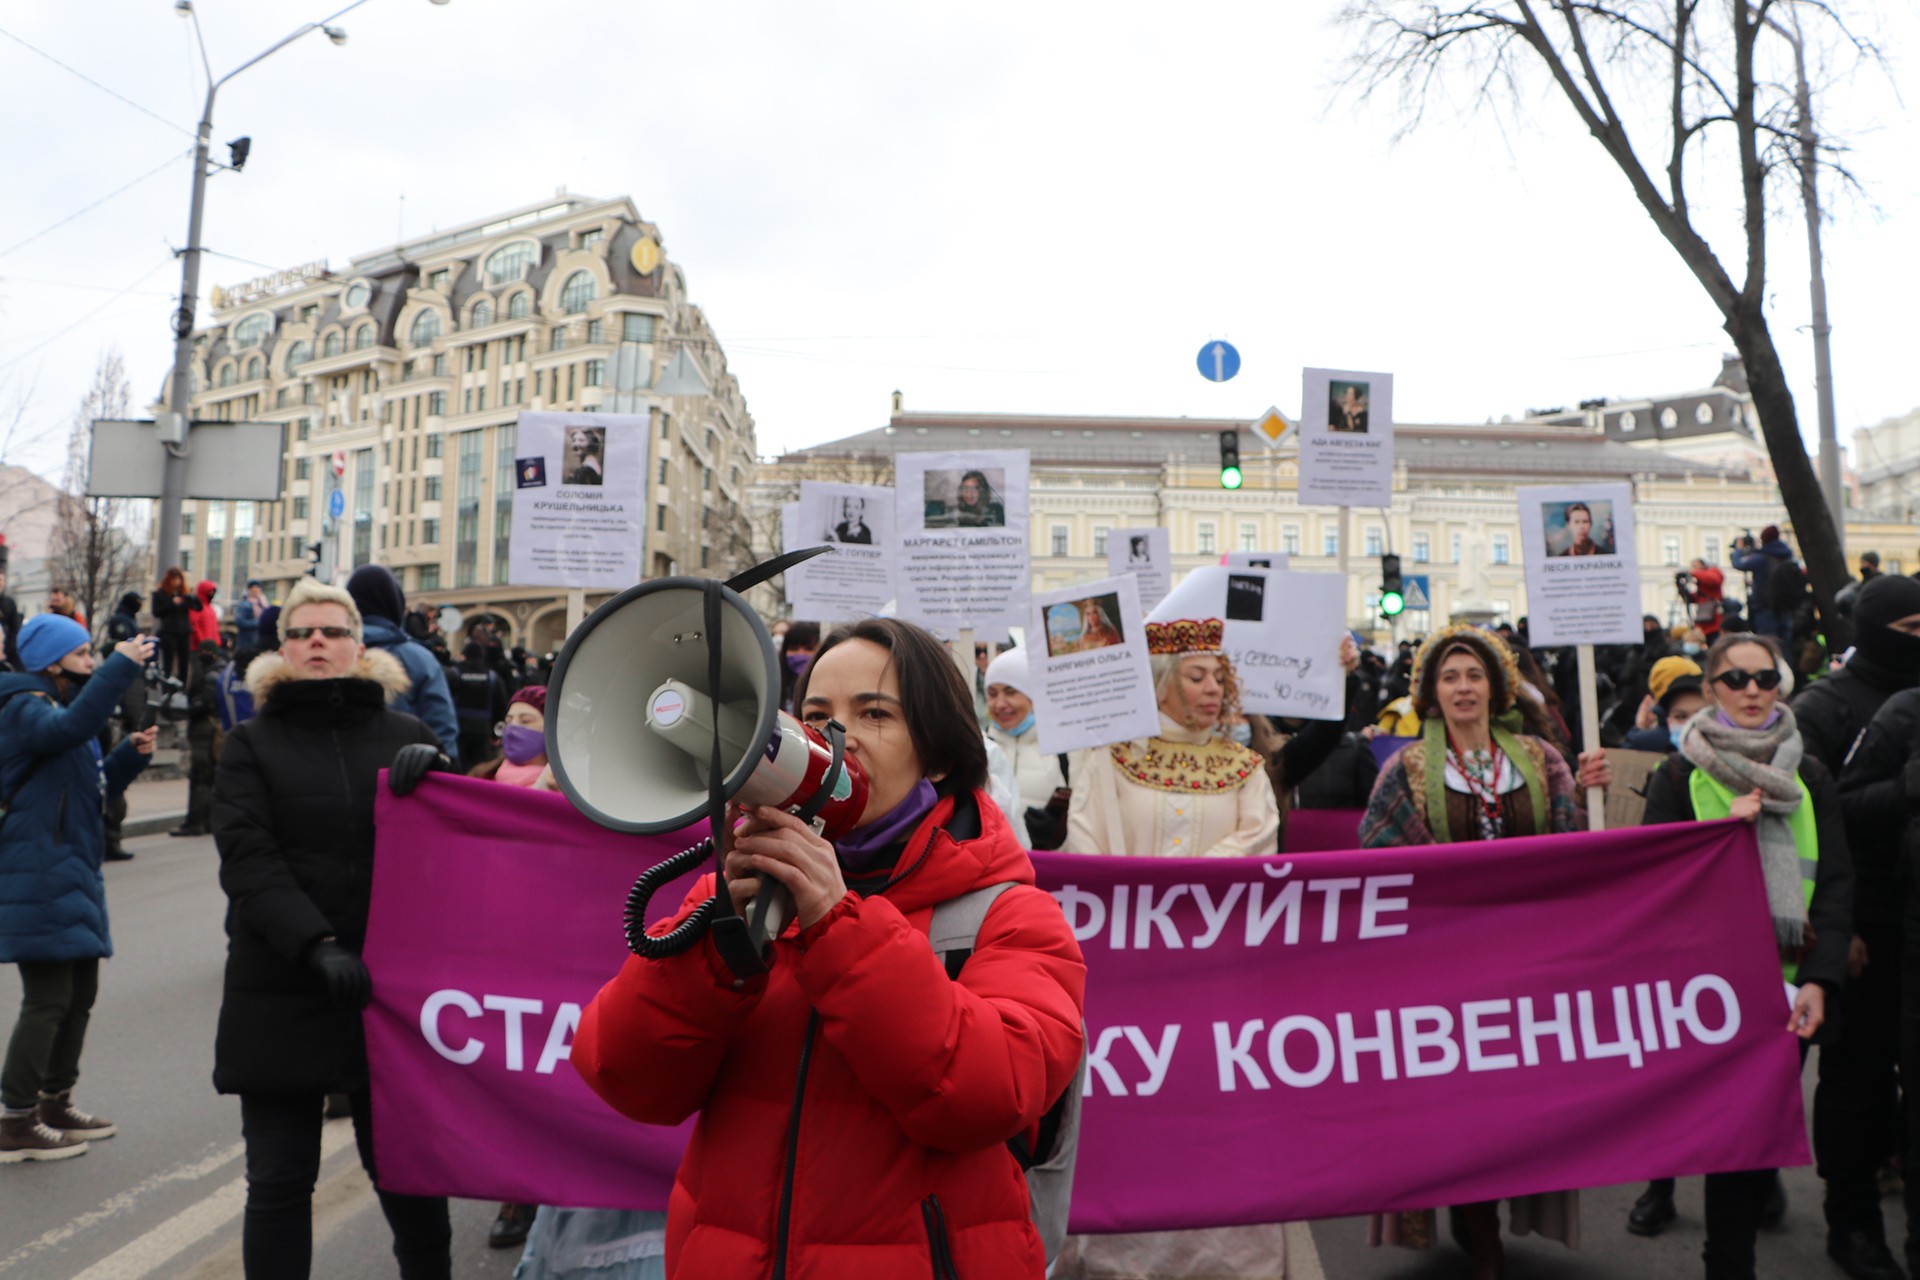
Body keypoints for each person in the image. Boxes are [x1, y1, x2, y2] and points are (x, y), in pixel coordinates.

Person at [568, 616, 1086, 1279]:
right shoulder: (735, 893)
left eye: (874, 713)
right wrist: (717, 949)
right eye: (815, 713)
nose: (836, 736)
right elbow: (626, 1078)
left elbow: (986, 1096)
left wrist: (837, 926)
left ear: (939, 754)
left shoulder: (1009, 914)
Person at [210, 578, 453, 1278]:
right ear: (283, 649)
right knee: (281, 1185)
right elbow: (248, 859)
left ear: (358, 645)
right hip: (281, 989)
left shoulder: (409, 735)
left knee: (410, 1181)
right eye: (302, 632)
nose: (318, 641)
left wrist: (440, 779)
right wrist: (316, 944)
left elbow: (455, 854)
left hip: (389, 1000)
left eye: (333, 630)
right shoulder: (252, 743)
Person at [1360, 625, 1611, 1279]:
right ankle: (1482, 1233)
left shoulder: (1540, 757)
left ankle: (1490, 1215)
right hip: (1442, 971)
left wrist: (1591, 796)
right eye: (1450, 677)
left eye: (1473, 675)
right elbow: (1376, 860)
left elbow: (1571, 847)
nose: (1463, 687)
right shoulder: (1406, 769)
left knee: (1520, 1103)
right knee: (1463, 1107)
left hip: (1529, 964)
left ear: (1496, 688)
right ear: (1432, 694)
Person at [1639, 632, 1852, 1280]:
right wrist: (1716, 839)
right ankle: (1726, 1267)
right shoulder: (1678, 775)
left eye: (1765, 678)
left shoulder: (1808, 771)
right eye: (1736, 680)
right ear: (1712, 689)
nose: (1753, 690)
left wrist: (1820, 979)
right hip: (1711, 995)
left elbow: (1837, 882)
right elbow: (1653, 888)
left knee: (1757, 1131)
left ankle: (1755, 1203)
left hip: (1788, 992)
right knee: (1731, 1138)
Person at [0, 617, 156, 1162]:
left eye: (95, 653)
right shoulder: (22, 709)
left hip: (72, 872)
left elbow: (91, 790)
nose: (92, 661)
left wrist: (128, 757)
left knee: (78, 998)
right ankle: (14, 1119)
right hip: (37, 874)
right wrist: (121, 665)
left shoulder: (60, 715)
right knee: (47, 1000)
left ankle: (54, 1102)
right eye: (85, 653)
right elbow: (63, 735)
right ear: (50, 661)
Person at [1064, 615, 1279, 860]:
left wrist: (1191, 877)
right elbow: (1085, 841)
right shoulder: (1112, 760)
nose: (1213, 688)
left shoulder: (1244, 766)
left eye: (1220, 679)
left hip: (1213, 896)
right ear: (1160, 685)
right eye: (1197, 678)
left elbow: (1258, 835)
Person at [345, 565, 460, 764]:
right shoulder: (420, 659)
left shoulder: (329, 651)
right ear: (395, 605)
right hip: (403, 779)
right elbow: (442, 730)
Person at [983, 647, 1072, 849]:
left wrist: (1058, 830)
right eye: (992, 694)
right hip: (995, 869)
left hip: (1050, 871)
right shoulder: (979, 748)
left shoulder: (1062, 748)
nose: (1000, 704)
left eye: (1010, 692)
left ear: (1033, 696)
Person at [171, 641, 225, 838]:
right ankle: (208, 820)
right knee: (208, 775)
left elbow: (203, 703)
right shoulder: (219, 671)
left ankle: (196, 822)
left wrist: (189, 708)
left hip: (204, 728)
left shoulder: (210, 674)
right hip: (212, 727)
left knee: (200, 776)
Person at [1622, 656, 1709, 753]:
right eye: (1681, 716)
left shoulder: (1640, 742)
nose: (1690, 725)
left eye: (1701, 714)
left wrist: (1638, 729)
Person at [1733, 526, 1797, 647]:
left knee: (1769, 644)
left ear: (1764, 539)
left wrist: (1739, 549)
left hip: (1765, 607)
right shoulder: (1786, 556)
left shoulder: (1762, 558)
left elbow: (1739, 564)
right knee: (1785, 644)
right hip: (1785, 607)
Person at [152, 567, 201, 681]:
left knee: (184, 662)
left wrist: (192, 597)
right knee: (168, 662)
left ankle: (182, 686)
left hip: (184, 632)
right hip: (168, 632)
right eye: (174, 579)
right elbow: (157, 612)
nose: (176, 582)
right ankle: (167, 686)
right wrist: (171, 603)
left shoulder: (184, 594)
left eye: (178, 579)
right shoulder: (161, 594)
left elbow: (198, 607)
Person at [234, 581, 268, 652]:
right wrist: (259, 622)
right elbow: (240, 622)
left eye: (257, 588)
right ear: (249, 590)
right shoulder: (244, 604)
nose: (255, 590)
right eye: (253, 588)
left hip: (260, 641)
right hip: (247, 642)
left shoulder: (264, 603)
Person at [192, 579, 223, 650]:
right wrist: (203, 642)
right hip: (200, 648)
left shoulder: (209, 608)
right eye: (210, 592)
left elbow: (214, 628)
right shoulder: (197, 607)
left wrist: (217, 642)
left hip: (210, 647)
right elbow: (194, 626)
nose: (212, 594)